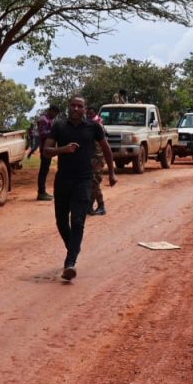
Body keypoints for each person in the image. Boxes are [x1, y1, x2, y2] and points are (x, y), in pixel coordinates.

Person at [43, 96, 116, 281]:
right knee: (61, 222)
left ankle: (70, 263)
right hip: (62, 181)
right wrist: (63, 150)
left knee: (78, 222)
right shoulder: (59, 126)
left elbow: (106, 149)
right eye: (73, 105)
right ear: (69, 107)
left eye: (80, 106)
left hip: (83, 181)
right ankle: (74, 248)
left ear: (84, 109)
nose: (76, 108)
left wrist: (111, 173)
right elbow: (46, 150)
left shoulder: (93, 127)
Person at [85, 105, 108, 216]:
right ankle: (90, 206)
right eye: (87, 113)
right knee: (92, 182)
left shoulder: (97, 126)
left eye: (91, 113)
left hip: (97, 158)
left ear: (95, 114)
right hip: (91, 158)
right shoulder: (89, 125)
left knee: (94, 182)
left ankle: (100, 205)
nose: (88, 115)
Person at [36, 104, 60, 201]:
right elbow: (42, 134)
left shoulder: (48, 119)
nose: (55, 116)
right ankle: (41, 193)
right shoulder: (43, 120)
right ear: (51, 110)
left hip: (49, 148)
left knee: (45, 170)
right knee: (43, 171)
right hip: (45, 148)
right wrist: (53, 132)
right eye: (55, 113)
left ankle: (43, 192)